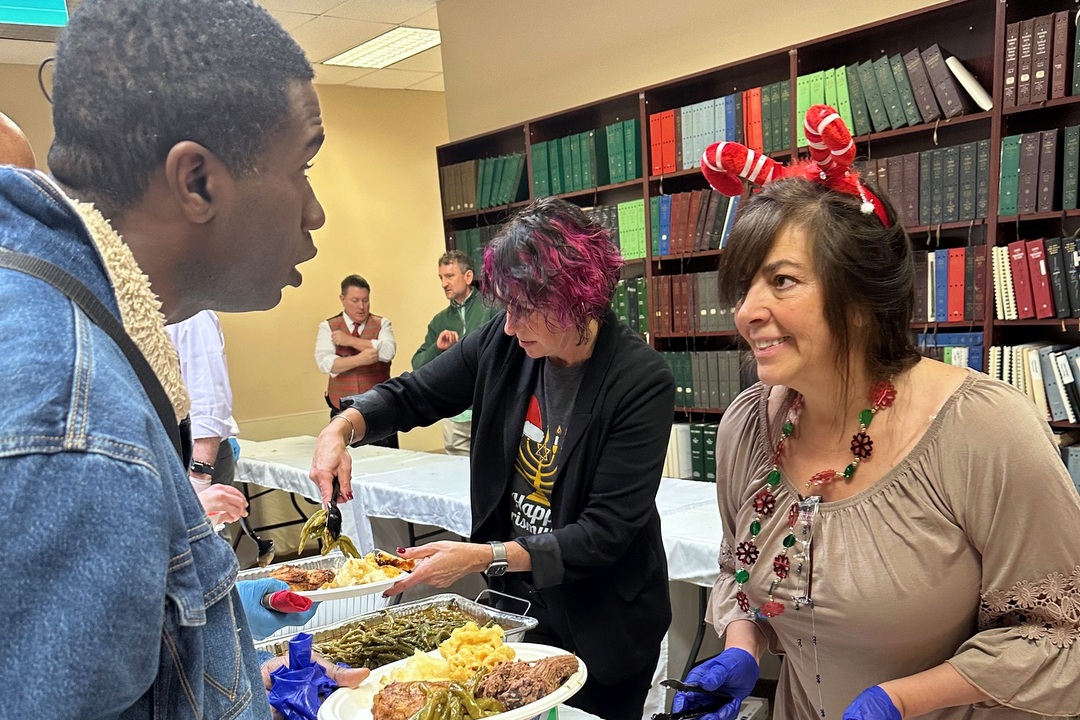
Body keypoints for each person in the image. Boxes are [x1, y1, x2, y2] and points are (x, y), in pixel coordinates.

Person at [0, 1, 365, 717]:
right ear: (197, 182)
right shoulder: (74, 425)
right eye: (303, 168)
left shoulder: (80, 334)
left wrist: (220, 668)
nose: (315, 211)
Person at [674, 108, 1080, 720]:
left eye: (781, 281)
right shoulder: (749, 427)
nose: (747, 311)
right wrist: (745, 647)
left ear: (861, 300)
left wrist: (898, 699)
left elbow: (1059, 634)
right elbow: (740, 565)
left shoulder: (984, 430)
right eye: (743, 287)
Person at [311, 198, 676, 720]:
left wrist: (485, 555)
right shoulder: (505, 347)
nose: (508, 326)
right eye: (506, 307)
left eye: (523, 308)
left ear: (576, 298)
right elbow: (414, 394)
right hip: (524, 607)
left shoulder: (639, 381)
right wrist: (341, 427)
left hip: (606, 623)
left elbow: (605, 532)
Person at [166, 309, 248, 528]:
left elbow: (208, 396)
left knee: (206, 543)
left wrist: (200, 477)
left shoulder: (192, 315)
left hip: (198, 455)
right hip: (170, 455)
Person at [411, 249, 499, 455]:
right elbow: (418, 365)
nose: (444, 284)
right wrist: (438, 348)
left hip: (490, 410)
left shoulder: (493, 308)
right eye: (441, 277)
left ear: (468, 276)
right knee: (456, 478)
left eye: (449, 276)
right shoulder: (439, 321)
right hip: (454, 416)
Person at [315, 274, 398, 448]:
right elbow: (326, 363)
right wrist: (361, 358)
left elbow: (387, 351)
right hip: (342, 410)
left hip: (380, 410)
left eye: (365, 301)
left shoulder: (382, 324)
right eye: (355, 300)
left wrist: (349, 341)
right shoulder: (328, 326)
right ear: (342, 299)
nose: (361, 306)